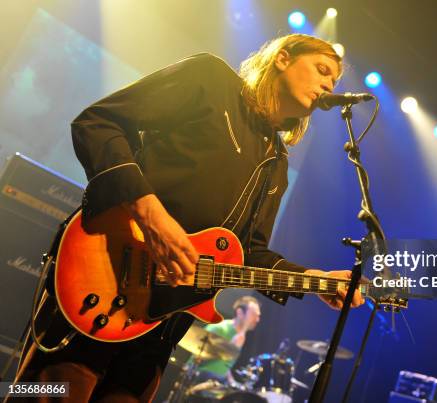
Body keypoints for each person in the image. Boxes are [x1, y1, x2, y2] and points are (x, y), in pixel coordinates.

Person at [10, 33, 364, 403]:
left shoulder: (276, 164)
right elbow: (97, 123)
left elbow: (248, 251)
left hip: (161, 329)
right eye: (323, 70)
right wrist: (151, 215)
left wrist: (314, 278)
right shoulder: (210, 80)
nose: (328, 84)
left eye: (335, 81)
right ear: (283, 58)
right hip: (104, 277)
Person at [187, 296, 261, 384]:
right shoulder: (219, 328)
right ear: (240, 313)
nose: (257, 320)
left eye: (258, 316)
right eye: (254, 315)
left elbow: (225, 365)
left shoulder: (241, 336)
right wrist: (228, 349)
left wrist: (233, 383)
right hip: (199, 380)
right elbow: (196, 360)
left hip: (216, 384)